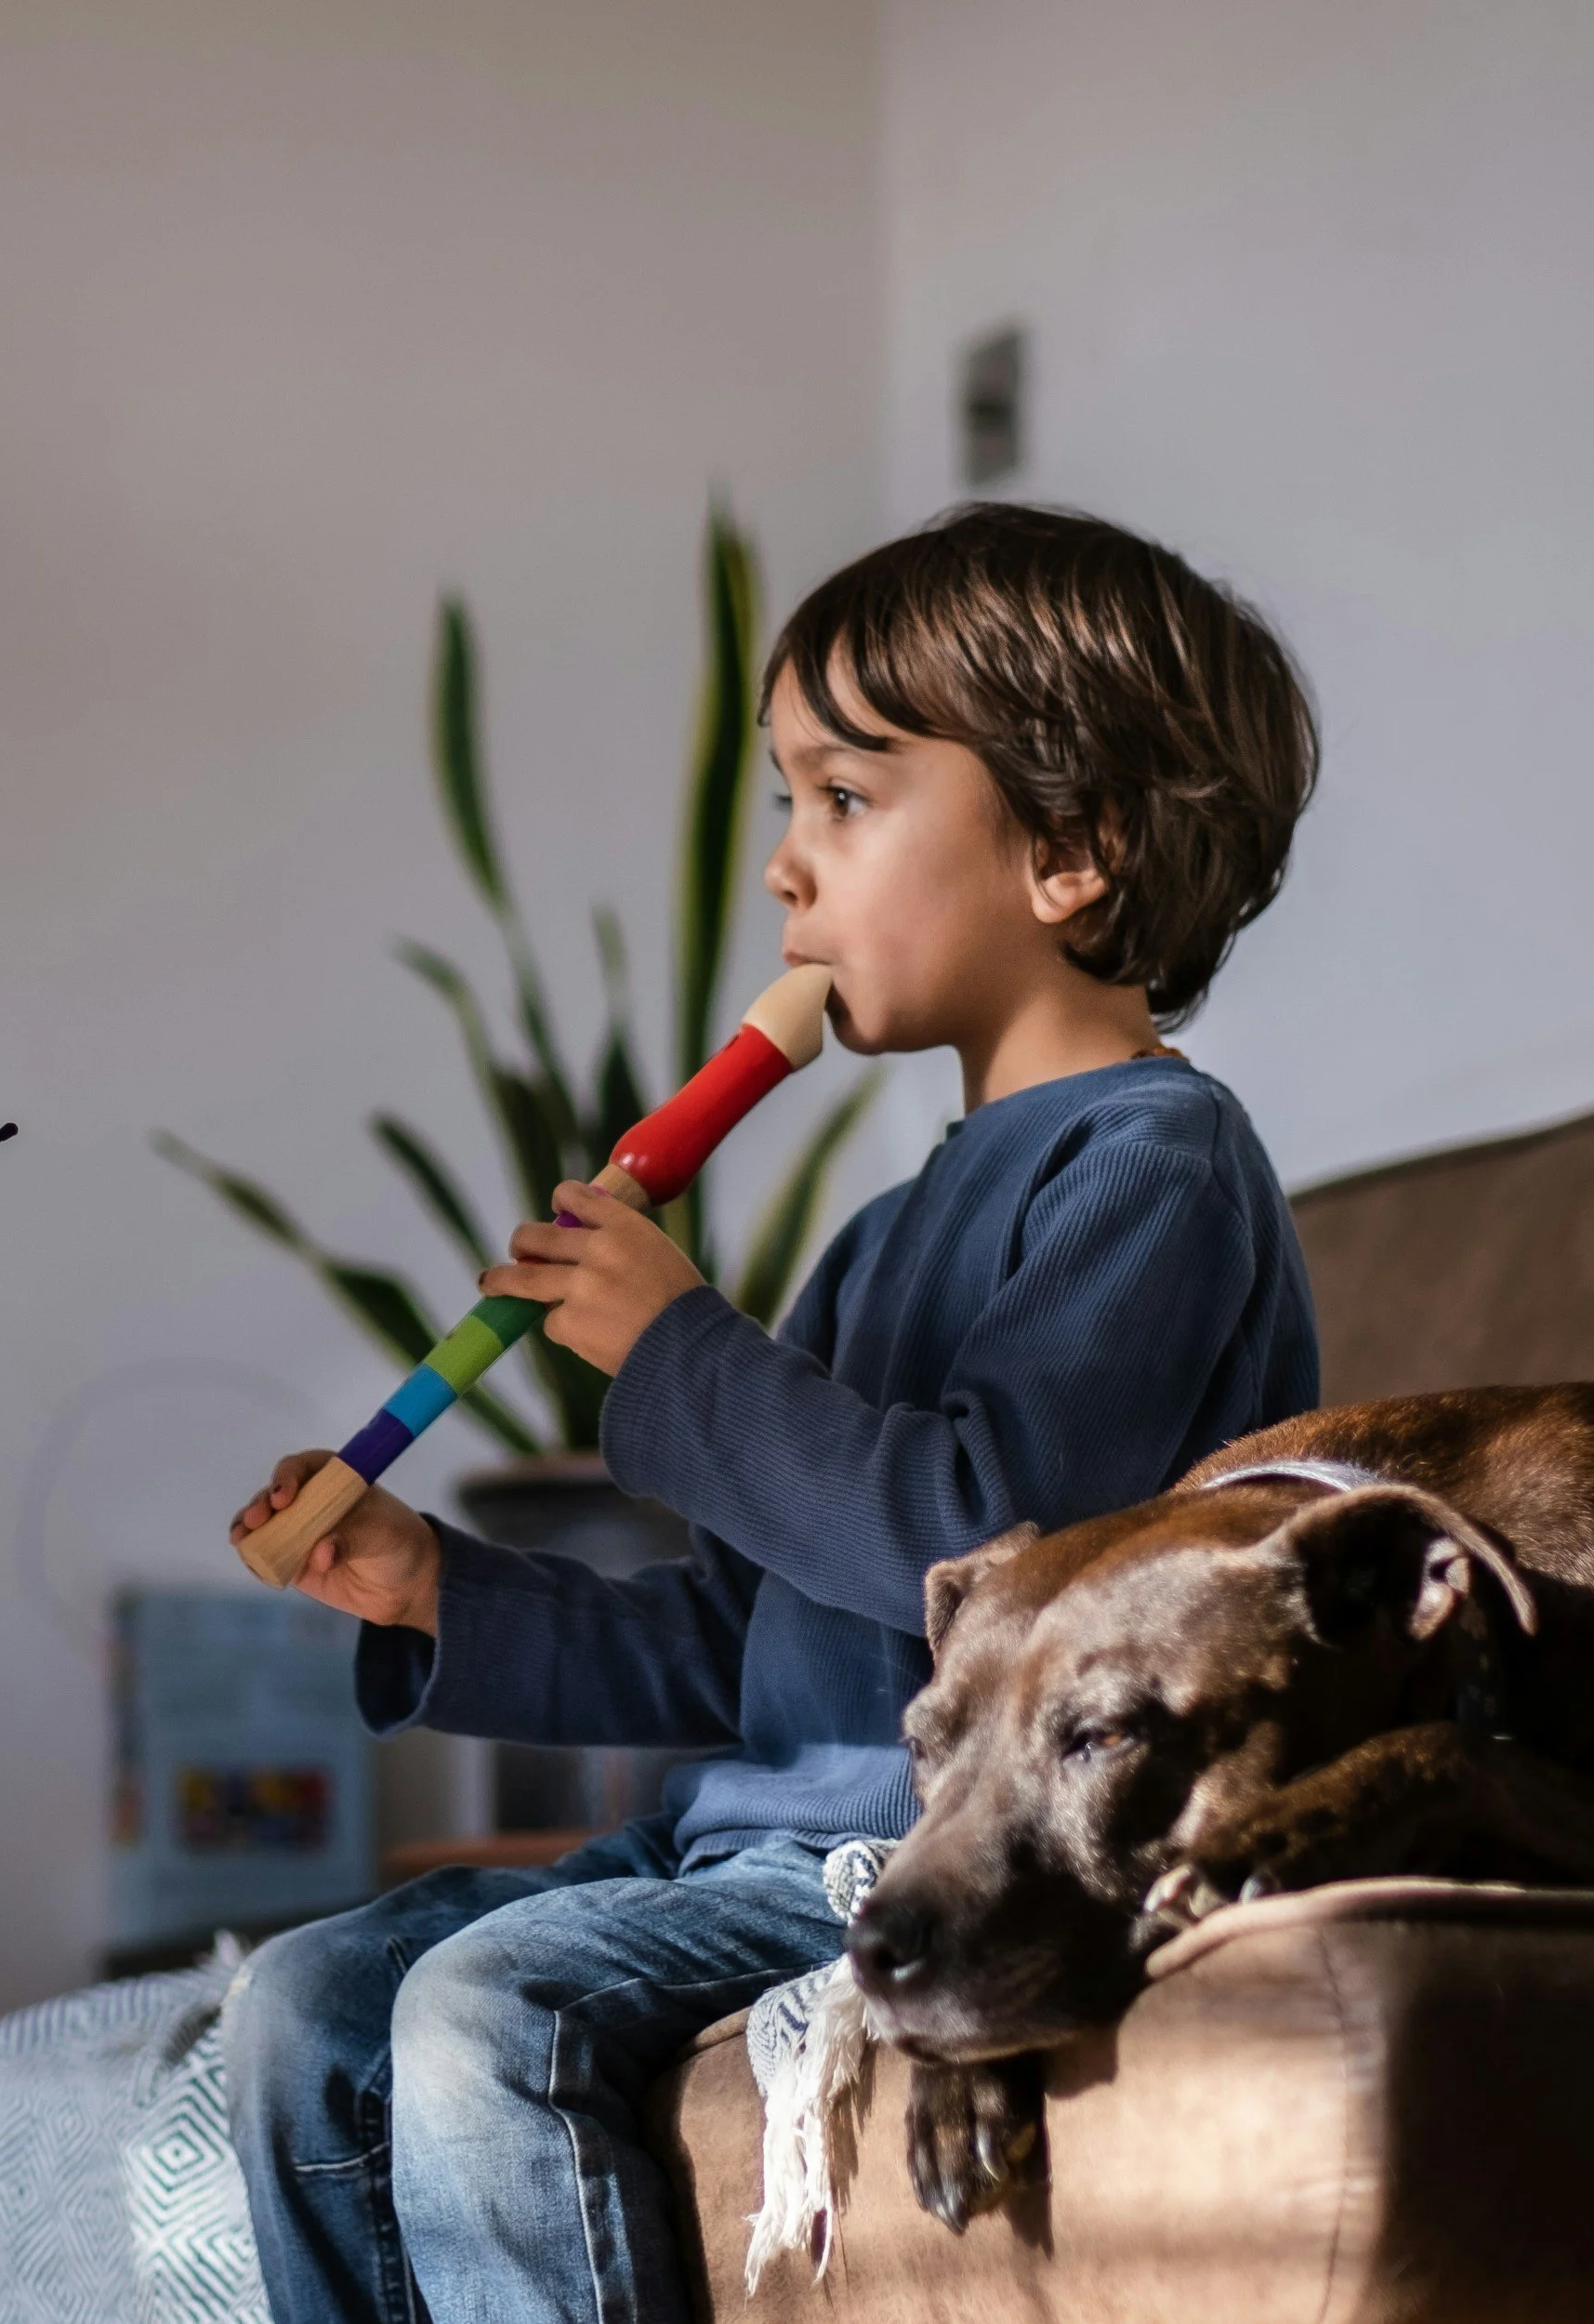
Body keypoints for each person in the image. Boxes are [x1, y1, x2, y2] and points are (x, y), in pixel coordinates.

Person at [221, 502, 1323, 2324]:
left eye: (843, 797)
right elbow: (742, 1641)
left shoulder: (1156, 1163)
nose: (785, 871)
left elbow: (989, 1548)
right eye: (782, 804)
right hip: (733, 1838)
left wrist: (675, 1356)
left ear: (1067, 847)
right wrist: (442, 1590)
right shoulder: (892, 1229)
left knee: (485, 2006)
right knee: (298, 2008)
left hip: (941, 1848)